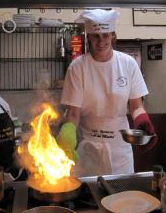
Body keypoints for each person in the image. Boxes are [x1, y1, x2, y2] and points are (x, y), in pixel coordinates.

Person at [57, 9, 158, 177]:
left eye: (106, 34)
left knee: (121, 197)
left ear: (113, 35)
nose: (101, 40)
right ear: (88, 36)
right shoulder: (78, 68)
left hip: (120, 149)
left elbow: (136, 105)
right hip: (89, 147)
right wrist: (67, 137)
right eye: (96, 35)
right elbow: (73, 113)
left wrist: (143, 121)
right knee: (89, 197)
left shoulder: (128, 64)